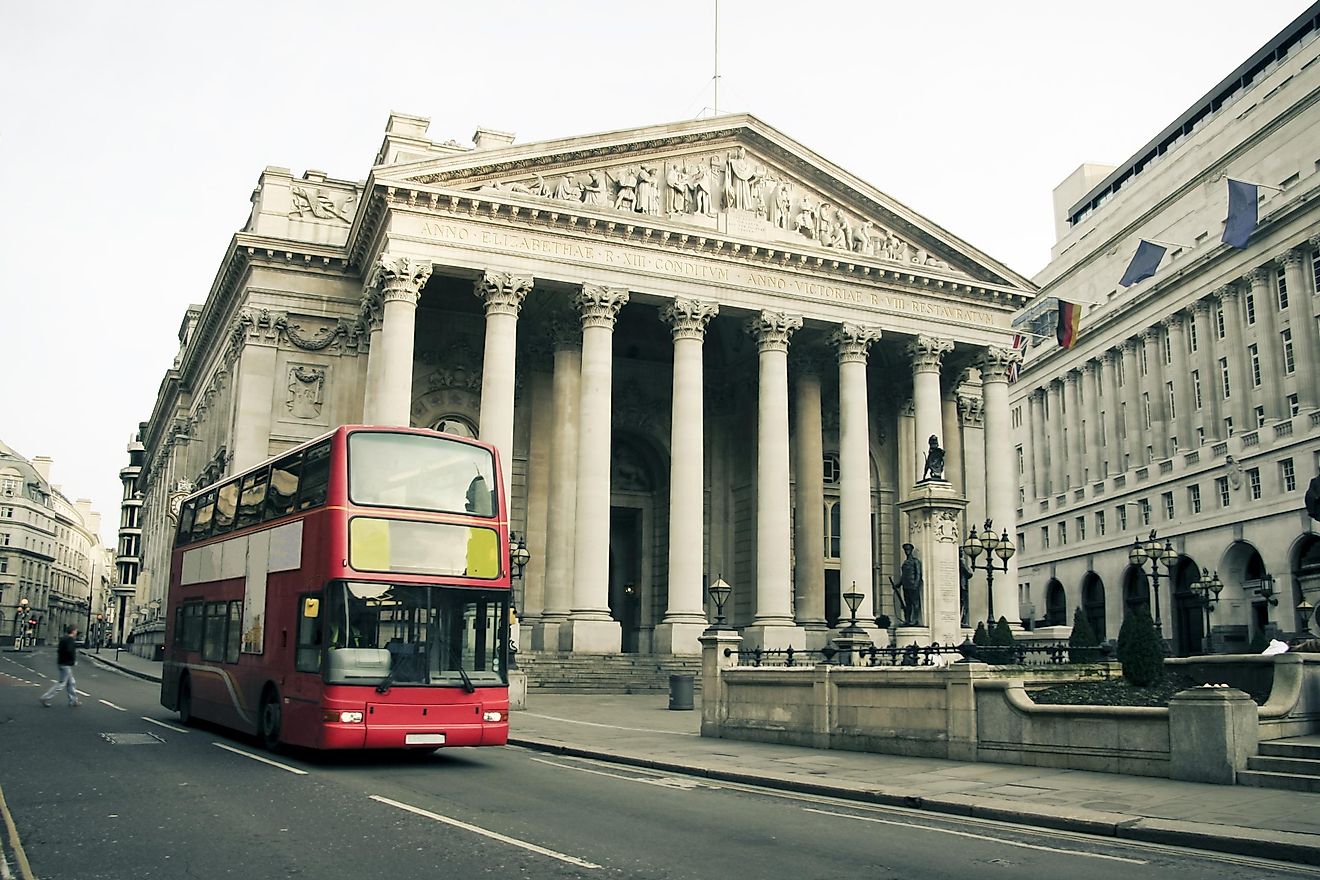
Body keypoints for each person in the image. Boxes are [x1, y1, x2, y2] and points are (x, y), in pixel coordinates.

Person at [41, 625, 81, 708]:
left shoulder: (63, 639)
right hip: (66, 664)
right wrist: (72, 661)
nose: (76, 632)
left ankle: (73, 700)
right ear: (73, 631)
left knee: (71, 682)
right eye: (76, 631)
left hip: (62, 663)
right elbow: (69, 651)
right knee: (61, 683)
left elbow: (59, 651)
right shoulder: (70, 640)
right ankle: (45, 697)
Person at [899, 544, 923, 626]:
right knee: (907, 604)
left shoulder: (915, 561)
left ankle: (915, 619)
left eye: (908, 549)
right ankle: (908, 620)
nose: (907, 551)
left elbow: (918, 573)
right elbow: (903, 576)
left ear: (911, 550)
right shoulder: (905, 563)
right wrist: (898, 584)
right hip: (906, 586)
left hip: (913, 585)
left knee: (915, 603)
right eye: (905, 550)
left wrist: (916, 584)